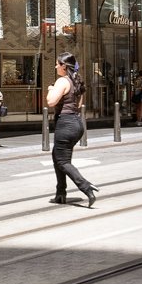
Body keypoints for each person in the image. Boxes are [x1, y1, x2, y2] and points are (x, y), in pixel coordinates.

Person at [46, 54, 97, 207]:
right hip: (76, 123)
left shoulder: (62, 81)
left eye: (57, 64)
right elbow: (79, 103)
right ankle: (60, 193)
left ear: (64, 66)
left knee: (62, 161)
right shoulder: (76, 81)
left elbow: (51, 101)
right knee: (58, 157)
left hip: (65, 124)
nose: (55, 67)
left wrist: (51, 89)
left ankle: (85, 186)